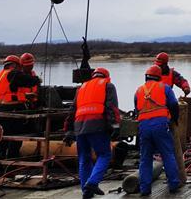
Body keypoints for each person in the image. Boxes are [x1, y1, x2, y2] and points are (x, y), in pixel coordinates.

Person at [63, 67, 121, 198]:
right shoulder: (108, 85)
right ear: (106, 76)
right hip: (97, 124)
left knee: (84, 158)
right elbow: (112, 107)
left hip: (79, 126)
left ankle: (86, 191)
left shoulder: (82, 87)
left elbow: (72, 110)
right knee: (105, 154)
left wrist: (68, 130)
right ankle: (93, 182)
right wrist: (115, 126)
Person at [134, 65, 180, 195]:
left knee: (145, 158)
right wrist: (174, 119)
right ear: (159, 77)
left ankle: (145, 189)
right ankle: (173, 185)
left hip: (144, 127)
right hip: (160, 125)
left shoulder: (138, 90)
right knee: (167, 154)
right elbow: (173, 104)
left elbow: (137, 110)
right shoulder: (164, 87)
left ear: (146, 76)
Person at [0, 54, 41, 158]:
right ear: (15, 65)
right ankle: (12, 162)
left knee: (3, 139)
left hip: (1, 111)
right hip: (12, 111)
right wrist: (37, 80)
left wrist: (24, 95)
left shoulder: (0, 76)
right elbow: (28, 81)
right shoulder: (12, 73)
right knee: (17, 138)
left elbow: (7, 92)